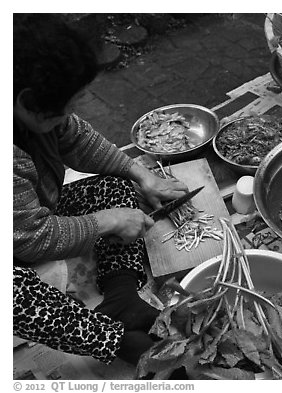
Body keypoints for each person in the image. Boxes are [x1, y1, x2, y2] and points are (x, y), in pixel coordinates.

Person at [13, 14, 189, 365]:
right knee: (14, 295)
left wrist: (141, 174)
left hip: (24, 218)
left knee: (117, 186)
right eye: (69, 104)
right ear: (28, 101)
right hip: (16, 242)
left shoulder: (30, 112)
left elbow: (77, 138)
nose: (72, 112)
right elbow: (29, 238)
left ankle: (121, 296)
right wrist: (105, 222)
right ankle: (117, 341)